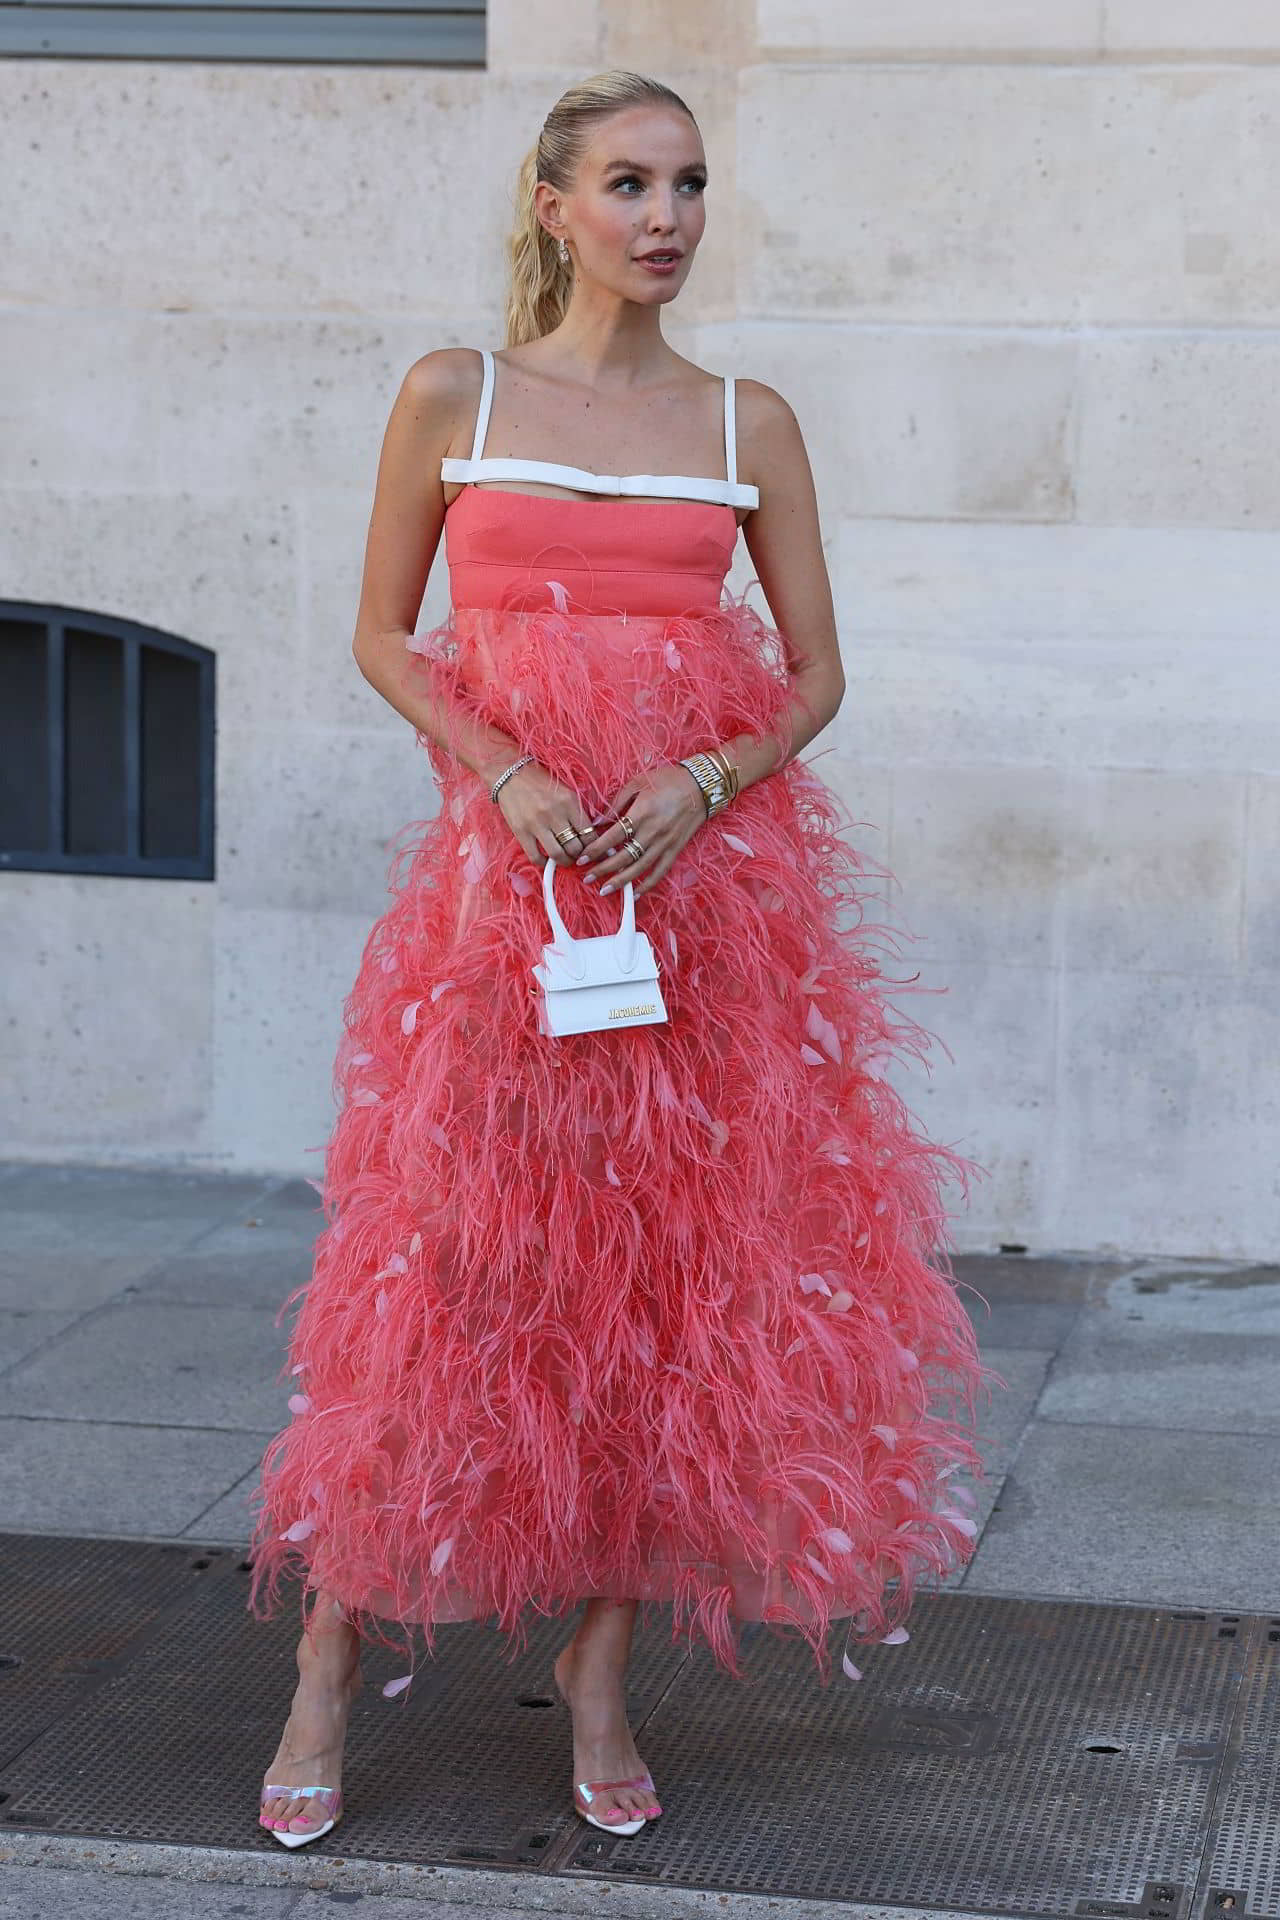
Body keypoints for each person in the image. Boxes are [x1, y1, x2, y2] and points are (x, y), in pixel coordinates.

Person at [249, 67, 1005, 1850]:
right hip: (501, 913)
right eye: (629, 184)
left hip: (701, 914)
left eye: (687, 185)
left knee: (663, 1299)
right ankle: (329, 1662)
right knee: (443, 1278)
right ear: (554, 203)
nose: (665, 217)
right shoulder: (459, 390)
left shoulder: (753, 421)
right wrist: (502, 768)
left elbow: (818, 675)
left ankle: (600, 1667)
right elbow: (381, 630)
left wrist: (706, 774)